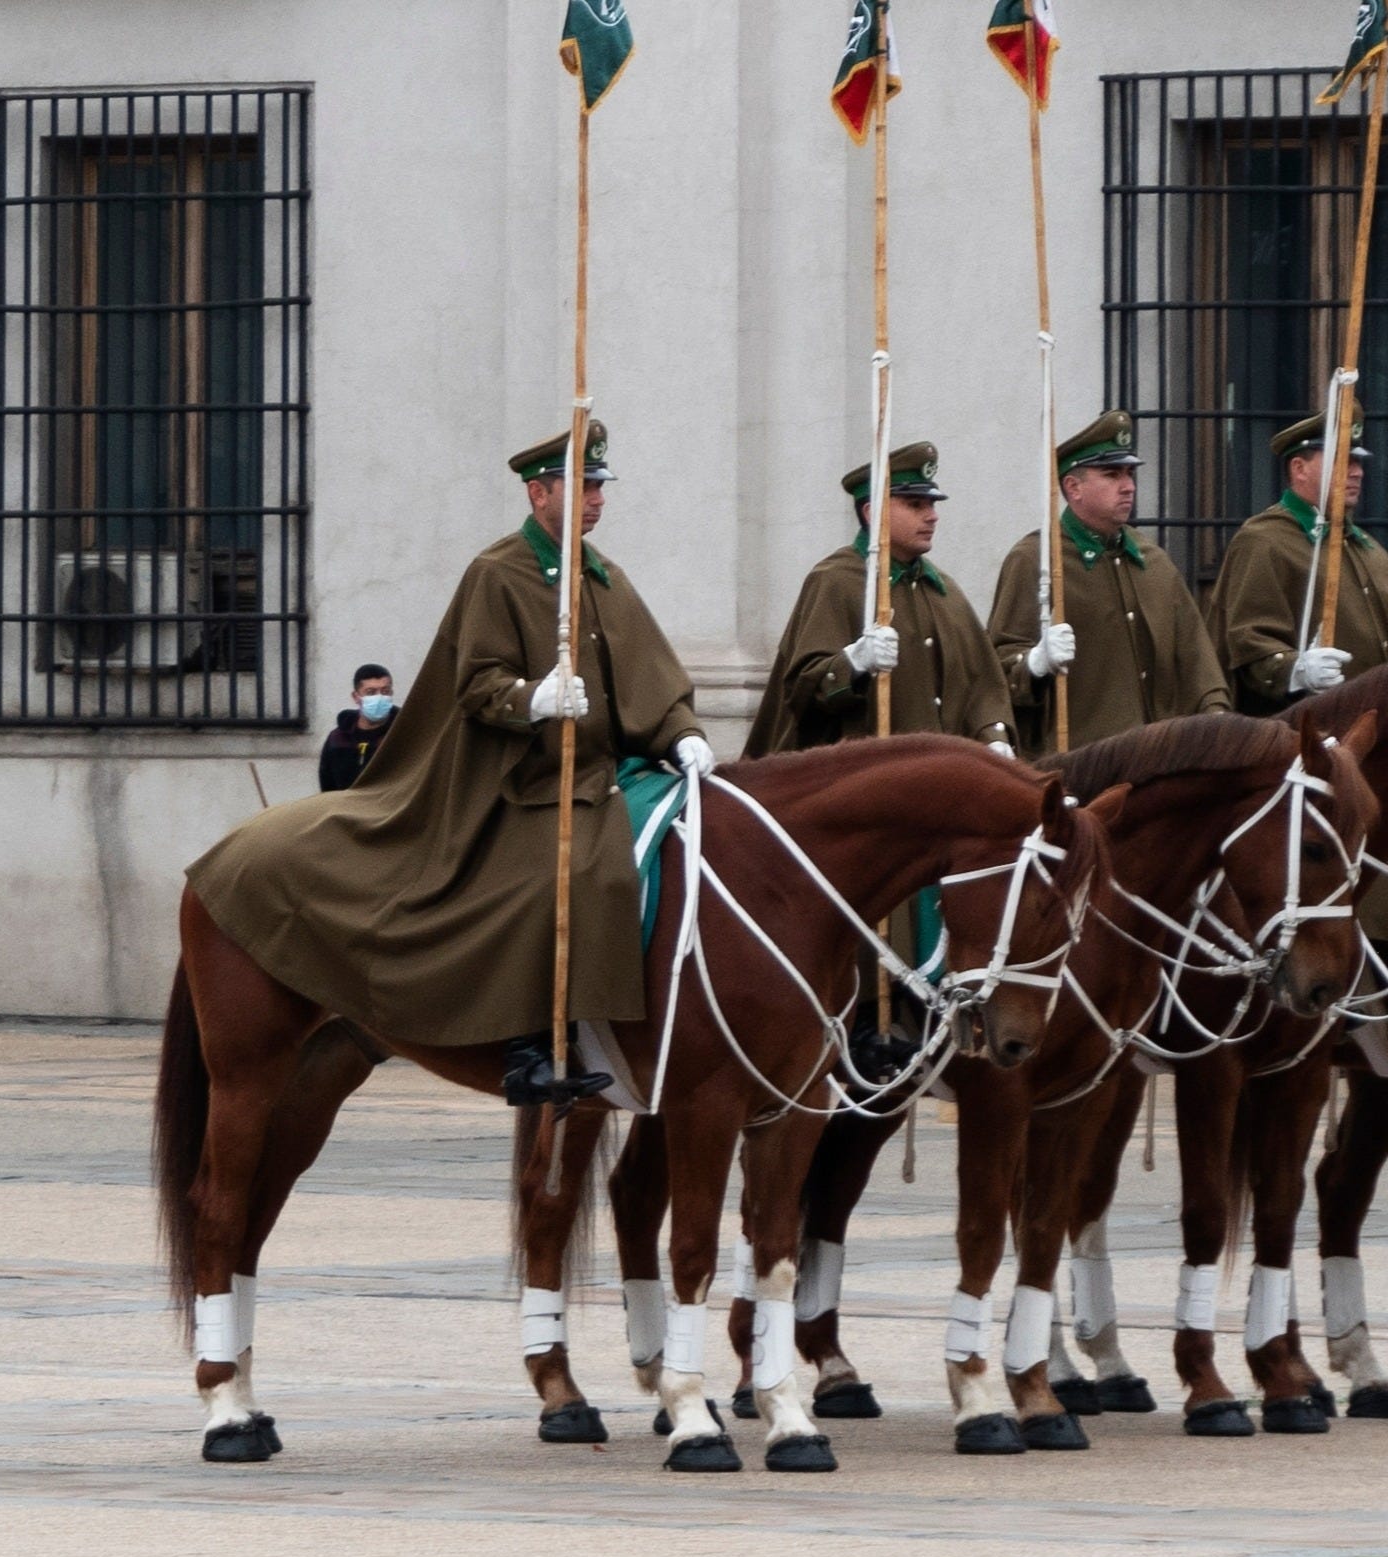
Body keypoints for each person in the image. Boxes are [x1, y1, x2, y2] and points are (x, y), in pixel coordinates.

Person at [184, 423, 710, 1107]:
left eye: (599, 487)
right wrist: (534, 698)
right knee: (561, 869)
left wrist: (681, 733)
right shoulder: (499, 574)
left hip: (608, 769)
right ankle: (529, 1043)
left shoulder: (604, 579)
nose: (595, 500)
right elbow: (478, 683)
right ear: (538, 491)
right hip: (520, 778)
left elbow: (650, 678)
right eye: (581, 486)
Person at [745, 441, 1013, 758]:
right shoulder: (836, 581)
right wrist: (854, 662)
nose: (932, 516)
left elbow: (982, 684)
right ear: (872, 512)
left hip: (940, 778)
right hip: (862, 777)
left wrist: (993, 737)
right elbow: (802, 691)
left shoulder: (945, 591)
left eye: (932, 505)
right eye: (916, 505)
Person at [986, 411, 1224, 754]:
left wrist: (1216, 718)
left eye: (1129, 474)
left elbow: (1196, 659)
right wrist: (1035, 662)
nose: (1128, 486)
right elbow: (997, 671)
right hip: (1081, 766)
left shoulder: (1152, 561)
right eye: (1112, 475)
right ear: (1073, 487)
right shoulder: (1035, 560)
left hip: (1158, 762)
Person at [1212, 413, 1388, 715]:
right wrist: (1296, 670)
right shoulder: (1264, 541)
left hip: (1383, 737)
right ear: (1299, 469)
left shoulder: (1367, 549)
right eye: (1342, 460)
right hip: (1306, 735)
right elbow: (1249, 645)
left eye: (1357, 462)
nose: (1356, 472)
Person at [318, 665, 395, 792]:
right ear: (356, 696)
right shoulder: (337, 738)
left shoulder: (402, 734)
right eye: (371, 692)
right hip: (346, 809)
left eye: (385, 691)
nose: (379, 697)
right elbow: (327, 787)